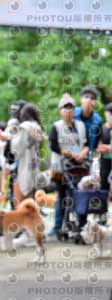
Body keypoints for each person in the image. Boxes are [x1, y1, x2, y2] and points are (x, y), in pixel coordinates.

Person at [49, 93, 89, 234]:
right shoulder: (56, 126)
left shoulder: (80, 126)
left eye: (71, 108)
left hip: (78, 168)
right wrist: (70, 154)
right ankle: (58, 226)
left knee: (79, 195)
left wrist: (81, 154)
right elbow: (53, 146)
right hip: (61, 168)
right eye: (65, 108)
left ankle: (80, 225)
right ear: (60, 110)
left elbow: (87, 144)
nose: (68, 111)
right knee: (62, 196)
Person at [8, 103, 43, 247]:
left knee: (20, 206)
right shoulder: (37, 128)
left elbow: (16, 148)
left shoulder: (24, 128)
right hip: (33, 169)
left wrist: (12, 128)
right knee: (30, 205)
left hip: (23, 170)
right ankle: (29, 235)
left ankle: (27, 235)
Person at [73, 86, 102, 153]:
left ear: (95, 102)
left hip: (88, 156)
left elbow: (97, 141)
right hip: (71, 154)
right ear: (81, 99)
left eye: (92, 98)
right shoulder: (72, 114)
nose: (89, 100)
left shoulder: (97, 120)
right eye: (86, 97)